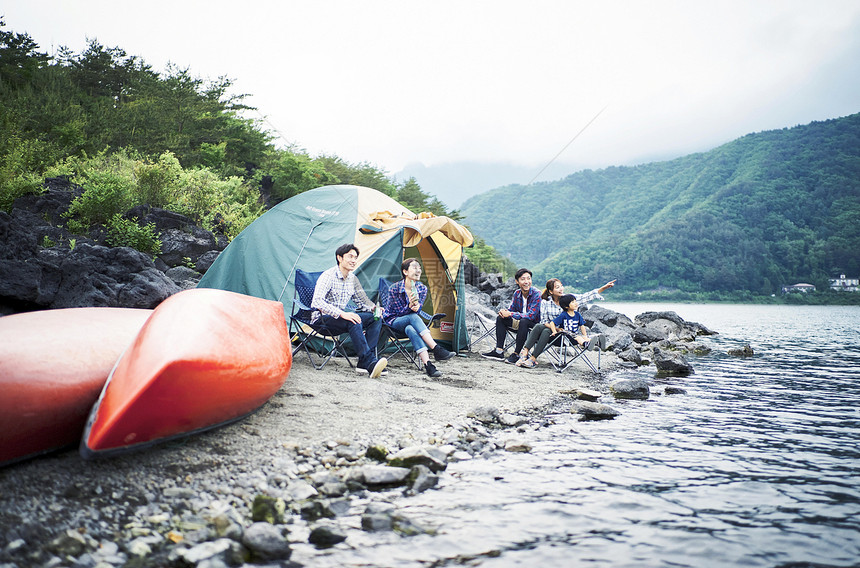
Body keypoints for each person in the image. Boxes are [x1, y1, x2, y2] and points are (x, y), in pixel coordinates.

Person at [311, 243, 387, 378]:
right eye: (350, 256)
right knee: (353, 319)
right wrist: (342, 313)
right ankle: (369, 362)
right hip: (322, 319)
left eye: (355, 257)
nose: (354, 260)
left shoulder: (352, 279)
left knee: (375, 318)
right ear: (339, 258)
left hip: (341, 319)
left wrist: (374, 308)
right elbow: (317, 301)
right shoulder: (328, 276)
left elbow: (363, 301)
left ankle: (365, 361)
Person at [516, 278, 616, 368]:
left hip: (565, 336)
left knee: (546, 330)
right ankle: (525, 353)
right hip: (553, 333)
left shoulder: (569, 299)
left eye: (561, 286)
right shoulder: (545, 302)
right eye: (557, 287)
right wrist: (556, 328)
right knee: (540, 326)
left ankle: (532, 359)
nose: (561, 289)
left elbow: (587, 296)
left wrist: (604, 287)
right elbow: (544, 321)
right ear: (551, 291)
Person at [384, 258, 455, 377]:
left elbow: (417, 310)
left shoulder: (421, 288)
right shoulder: (394, 289)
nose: (418, 270)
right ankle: (436, 348)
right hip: (393, 322)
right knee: (412, 317)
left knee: (411, 328)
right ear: (405, 272)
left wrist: (416, 307)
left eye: (419, 268)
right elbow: (395, 312)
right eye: (414, 267)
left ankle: (429, 365)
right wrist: (409, 306)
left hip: (410, 323)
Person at [481, 268, 541, 364]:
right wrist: (504, 312)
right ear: (517, 281)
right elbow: (512, 309)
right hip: (520, 323)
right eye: (523, 279)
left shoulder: (536, 294)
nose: (526, 282)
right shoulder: (517, 293)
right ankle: (499, 351)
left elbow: (531, 316)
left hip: (534, 326)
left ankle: (516, 354)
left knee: (524, 321)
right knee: (501, 318)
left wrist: (511, 314)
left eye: (528, 279)